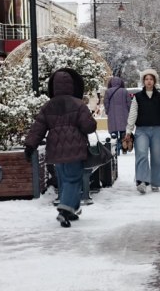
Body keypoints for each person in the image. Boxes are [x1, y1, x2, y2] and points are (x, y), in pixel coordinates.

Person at [24, 68, 97, 228]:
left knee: (65, 180)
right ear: (72, 86)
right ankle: (64, 210)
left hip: (56, 150)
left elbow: (38, 128)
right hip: (75, 148)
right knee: (74, 179)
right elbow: (88, 126)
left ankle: (72, 210)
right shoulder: (78, 104)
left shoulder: (48, 106)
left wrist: (30, 145)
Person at [124, 68, 160, 194]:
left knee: (157, 156)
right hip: (141, 131)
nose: (148, 81)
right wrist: (128, 129)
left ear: (154, 81)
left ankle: (155, 182)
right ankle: (142, 182)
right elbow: (133, 114)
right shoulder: (137, 97)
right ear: (143, 81)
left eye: (151, 79)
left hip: (157, 131)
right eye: (146, 79)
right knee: (142, 154)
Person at [104, 76, 132, 155]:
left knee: (114, 134)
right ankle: (123, 147)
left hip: (112, 116)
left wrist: (107, 111)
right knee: (123, 132)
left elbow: (106, 103)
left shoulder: (108, 91)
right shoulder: (124, 91)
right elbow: (129, 103)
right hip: (124, 115)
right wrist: (129, 111)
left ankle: (116, 149)